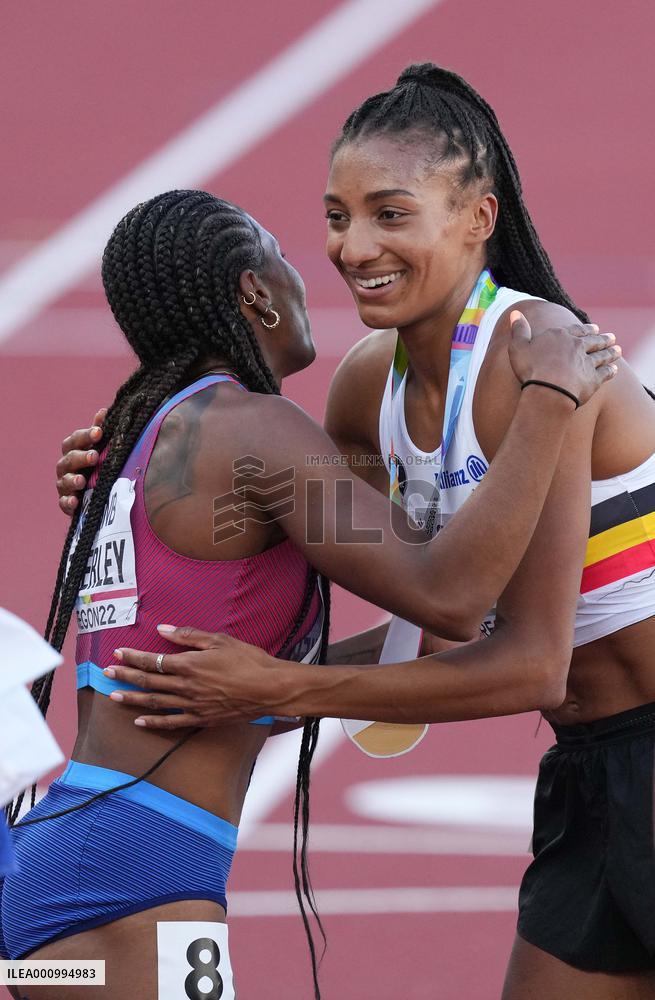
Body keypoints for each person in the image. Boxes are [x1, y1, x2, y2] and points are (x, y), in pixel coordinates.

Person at [57, 65, 655, 999]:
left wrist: (289, 688)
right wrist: (127, 485)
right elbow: (321, 557)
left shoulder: (539, 360)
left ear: (477, 218)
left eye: (390, 213)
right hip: (591, 779)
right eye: (337, 217)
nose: (353, 245)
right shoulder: (365, 388)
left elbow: (527, 663)